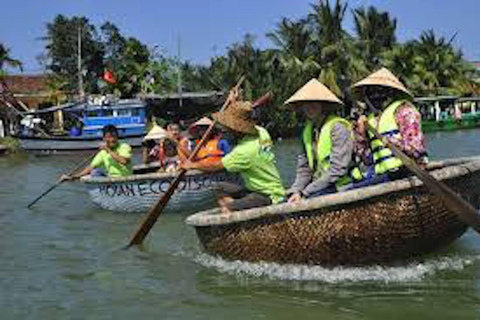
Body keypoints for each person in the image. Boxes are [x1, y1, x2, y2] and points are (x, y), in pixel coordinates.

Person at [181, 101, 285, 213]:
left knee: (226, 209)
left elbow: (217, 165)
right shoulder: (262, 132)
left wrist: (192, 165)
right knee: (219, 187)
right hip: (255, 188)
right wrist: (233, 101)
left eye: (229, 129)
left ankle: (235, 212)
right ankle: (240, 209)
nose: (225, 131)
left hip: (267, 194)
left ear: (237, 130)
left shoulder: (243, 151)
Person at [284, 78, 363, 203]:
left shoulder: (337, 127)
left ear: (323, 104)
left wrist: (306, 192)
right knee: (288, 199)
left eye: (314, 102)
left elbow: (338, 169)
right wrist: (296, 190)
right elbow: (304, 169)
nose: (310, 107)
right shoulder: (307, 132)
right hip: (319, 187)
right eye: (306, 103)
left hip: (342, 186)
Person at [351, 67, 428, 184]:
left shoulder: (404, 111)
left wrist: (391, 141)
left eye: (380, 91)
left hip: (405, 172)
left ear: (391, 92)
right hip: (381, 176)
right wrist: (360, 136)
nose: (375, 95)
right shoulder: (370, 120)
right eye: (371, 91)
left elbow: (416, 150)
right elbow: (368, 160)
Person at [60, 125, 133, 181]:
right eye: (109, 137)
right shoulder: (102, 153)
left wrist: (108, 150)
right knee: (95, 172)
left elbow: (124, 161)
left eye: (114, 137)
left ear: (117, 137)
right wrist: (72, 177)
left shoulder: (124, 147)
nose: (112, 139)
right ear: (104, 139)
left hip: (125, 178)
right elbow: (90, 168)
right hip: (111, 179)